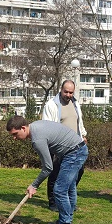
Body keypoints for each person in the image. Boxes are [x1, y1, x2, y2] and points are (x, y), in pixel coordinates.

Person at [6, 116, 88, 224]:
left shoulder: (37, 140)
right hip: (75, 150)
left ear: (23, 128)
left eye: (15, 134)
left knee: (59, 190)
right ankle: (64, 221)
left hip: (74, 153)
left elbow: (48, 167)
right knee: (69, 187)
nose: (14, 138)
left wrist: (34, 185)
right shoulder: (36, 126)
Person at [41, 80, 87, 211]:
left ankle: (66, 198)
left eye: (71, 92)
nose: (68, 95)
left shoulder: (75, 103)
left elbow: (79, 121)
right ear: (61, 90)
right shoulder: (51, 105)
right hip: (58, 145)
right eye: (66, 92)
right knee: (55, 173)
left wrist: (83, 135)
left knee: (78, 171)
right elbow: (47, 126)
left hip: (75, 145)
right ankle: (53, 202)